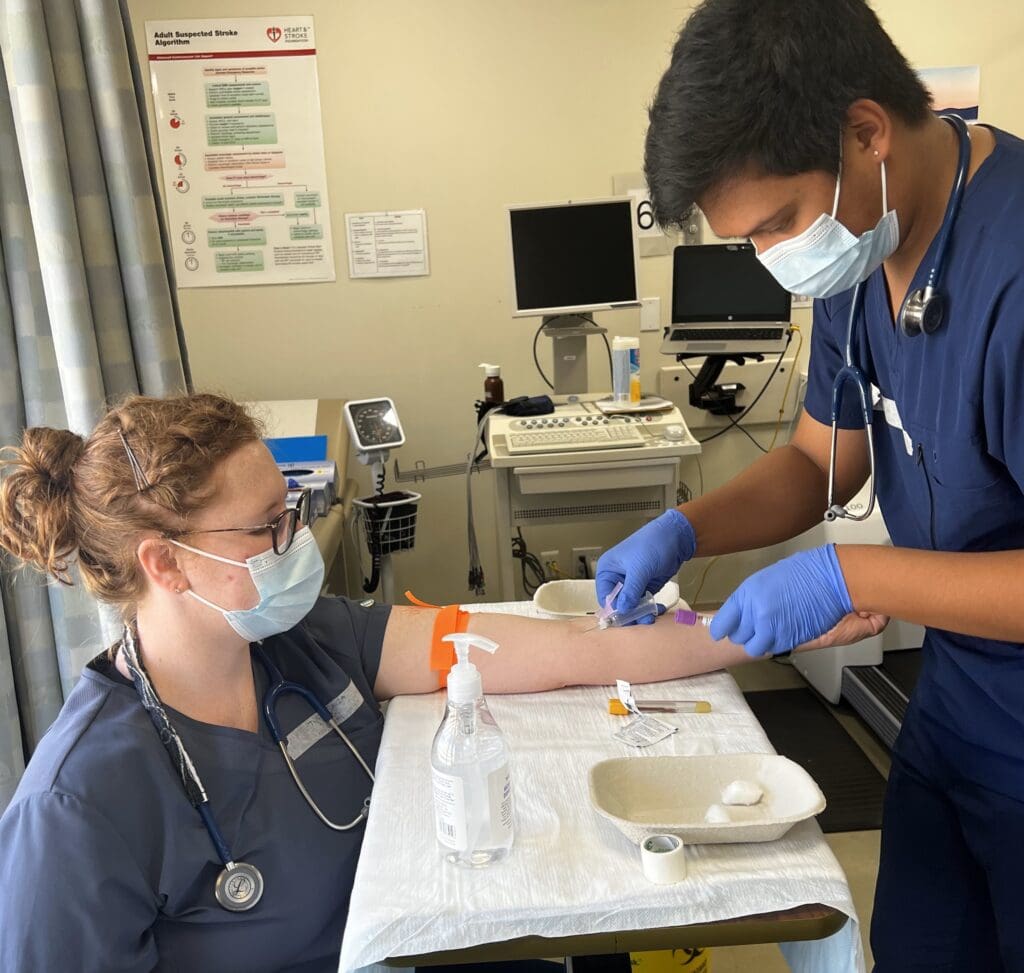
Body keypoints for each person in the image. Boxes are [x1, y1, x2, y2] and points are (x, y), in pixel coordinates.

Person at [0, 391, 837, 972]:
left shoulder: (304, 639)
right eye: (268, 526)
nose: (298, 541)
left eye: (290, 511)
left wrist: (752, 627)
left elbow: (571, 649)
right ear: (165, 564)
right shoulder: (78, 804)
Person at [595, 0, 1024, 968]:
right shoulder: (859, 257)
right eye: (749, 241)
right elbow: (817, 459)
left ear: (866, 132)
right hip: (957, 712)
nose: (777, 261)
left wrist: (855, 579)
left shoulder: (1012, 272)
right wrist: (684, 530)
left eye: (778, 223)